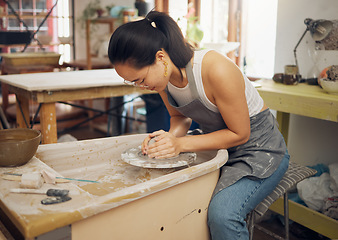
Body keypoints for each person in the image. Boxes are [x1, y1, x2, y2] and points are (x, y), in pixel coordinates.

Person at [108, 10, 289, 240]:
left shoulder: (215, 69)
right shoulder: (163, 79)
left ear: (160, 58)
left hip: (260, 149)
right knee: (175, 196)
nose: (140, 87)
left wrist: (180, 143)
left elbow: (240, 133)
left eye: (141, 79)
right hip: (217, 144)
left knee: (222, 215)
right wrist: (167, 139)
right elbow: (179, 118)